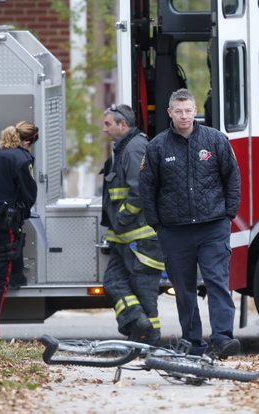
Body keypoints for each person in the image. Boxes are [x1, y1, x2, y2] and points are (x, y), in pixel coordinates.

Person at [139, 88, 241, 359]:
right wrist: (157, 224)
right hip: (174, 231)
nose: (184, 116)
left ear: (195, 112)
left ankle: (223, 338)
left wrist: (228, 214)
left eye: (188, 111)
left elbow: (232, 177)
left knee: (217, 282)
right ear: (169, 113)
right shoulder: (157, 147)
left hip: (212, 226)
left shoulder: (216, 140)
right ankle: (193, 342)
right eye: (178, 111)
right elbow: (147, 188)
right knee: (184, 291)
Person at [101, 104, 164, 345]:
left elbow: (139, 191)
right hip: (125, 237)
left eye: (108, 124)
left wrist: (122, 218)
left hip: (142, 239)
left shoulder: (135, 148)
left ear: (122, 125)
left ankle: (151, 340)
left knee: (145, 294)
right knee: (113, 282)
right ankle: (138, 323)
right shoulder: (124, 148)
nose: (104, 129)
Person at [0, 121, 39, 338]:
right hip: (5, 223)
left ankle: (17, 276)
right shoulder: (22, 159)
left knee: (0, 268)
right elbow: (29, 195)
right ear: (28, 141)